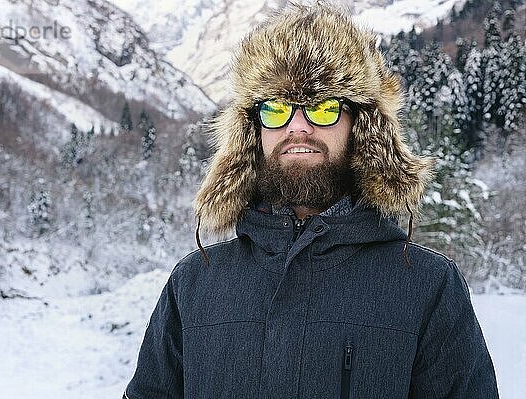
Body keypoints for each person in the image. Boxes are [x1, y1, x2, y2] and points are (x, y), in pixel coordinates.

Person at [124, 4, 499, 398]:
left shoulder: (427, 284)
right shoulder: (195, 283)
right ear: (252, 131)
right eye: (276, 108)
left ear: (362, 127)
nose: (297, 126)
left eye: (324, 108)